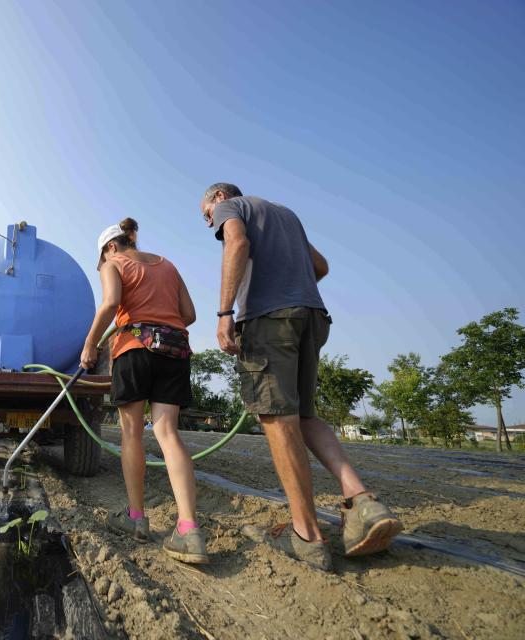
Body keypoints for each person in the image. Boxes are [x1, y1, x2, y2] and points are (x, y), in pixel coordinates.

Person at [200, 183, 402, 571]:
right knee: (306, 418)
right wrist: (292, 291)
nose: (210, 223)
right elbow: (320, 266)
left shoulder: (232, 209)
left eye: (206, 215)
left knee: (278, 422)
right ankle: (363, 502)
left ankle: (306, 535)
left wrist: (225, 313)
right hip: (310, 316)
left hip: (270, 321)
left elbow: (237, 245)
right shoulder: (284, 214)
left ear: (219, 198)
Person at [80, 217, 207, 564]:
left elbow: (110, 304)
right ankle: (188, 528)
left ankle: (136, 519)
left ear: (110, 247)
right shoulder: (168, 265)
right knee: (168, 433)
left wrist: (91, 345)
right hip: (174, 350)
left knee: (132, 433)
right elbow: (190, 314)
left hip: (133, 349)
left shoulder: (114, 263)